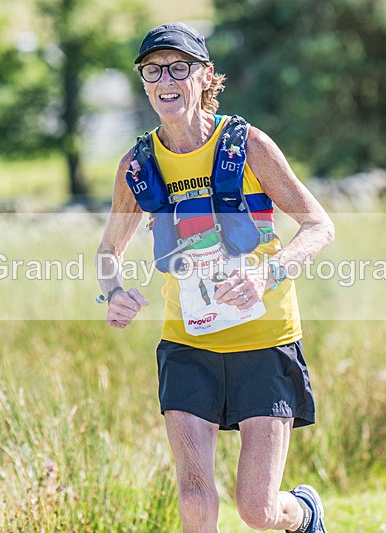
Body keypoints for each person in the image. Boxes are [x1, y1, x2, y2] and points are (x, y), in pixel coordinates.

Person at [96, 22, 334, 533]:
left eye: (178, 68)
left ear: (205, 76)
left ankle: (304, 513)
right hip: (187, 344)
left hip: (264, 341)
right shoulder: (137, 166)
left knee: (257, 511)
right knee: (194, 498)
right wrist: (112, 292)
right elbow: (108, 251)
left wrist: (267, 273)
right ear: (144, 82)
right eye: (153, 70)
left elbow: (319, 225)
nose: (166, 80)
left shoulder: (247, 145)